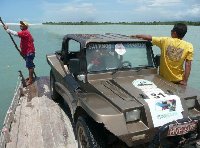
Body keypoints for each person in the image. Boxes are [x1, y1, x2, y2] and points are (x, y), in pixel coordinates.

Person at [3, 21, 36, 85]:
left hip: (29, 53)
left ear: (25, 27)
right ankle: (30, 77)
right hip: (29, 52)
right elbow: (32, 39)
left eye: (22, 25)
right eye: (20, 24)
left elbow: (15, 34)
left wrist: (7, 29)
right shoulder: (26, 33)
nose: (20, 25)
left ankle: (31, 80)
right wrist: (23, 51)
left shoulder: (25, 32)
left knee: (30, 67)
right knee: (30, 65)